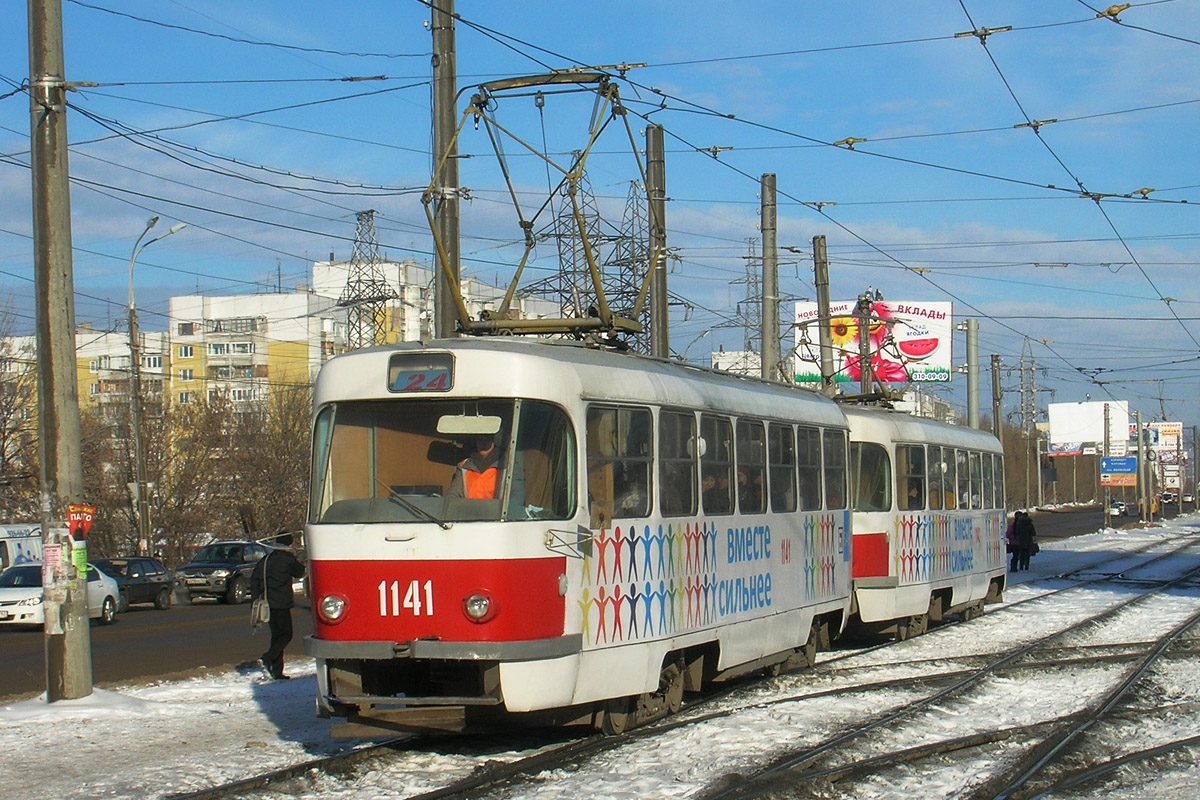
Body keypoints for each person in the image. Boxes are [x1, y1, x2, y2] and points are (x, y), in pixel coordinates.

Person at [251, 531, 306, 681]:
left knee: (276, 636)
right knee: (286, 635)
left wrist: (255, 601)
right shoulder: (288, 559)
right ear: (288, 544)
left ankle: (276, 671)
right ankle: (267, 658)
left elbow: (254, 580)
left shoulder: (266, 559)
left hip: (267, 604)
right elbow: (300, 572)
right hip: (282, 603)